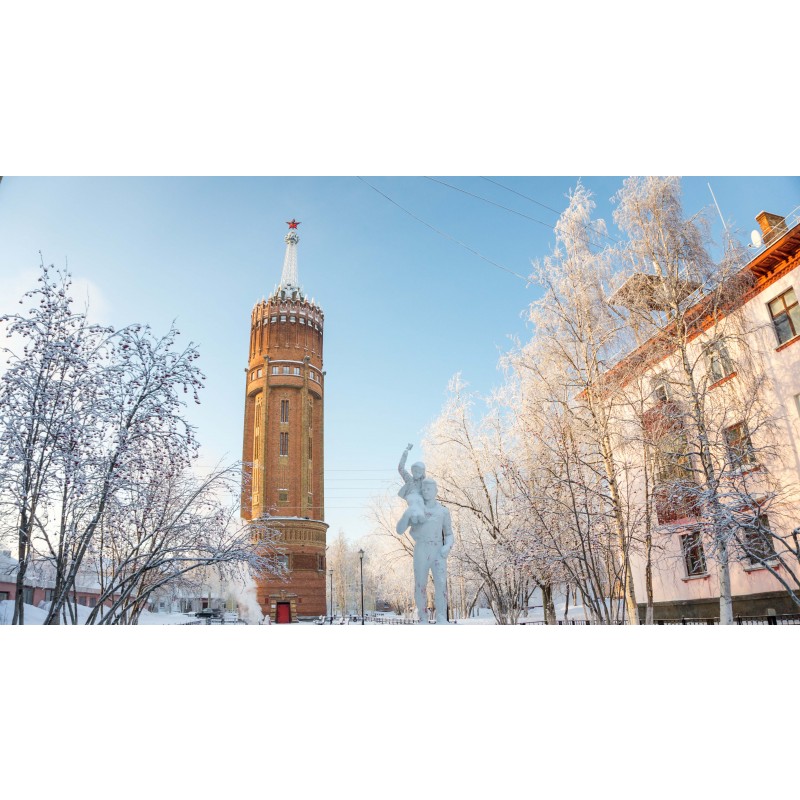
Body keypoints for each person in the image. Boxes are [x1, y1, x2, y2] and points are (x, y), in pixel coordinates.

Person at [396, 478, 453, 624]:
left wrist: (447, 546)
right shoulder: (417, 510)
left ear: (436, 491)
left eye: (429, 489)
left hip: (438, 550)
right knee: (420, 584)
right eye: (424, 489)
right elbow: (399, 530)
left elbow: (448, 534)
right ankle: (422, 618)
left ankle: (441, 616)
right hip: (421, 549)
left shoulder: (443, 511)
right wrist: (407, 514)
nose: (426, 491)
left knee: (441, 583)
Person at [398, 443, 426, 525]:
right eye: (415, 471)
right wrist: (405, 454)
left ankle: (421, 517)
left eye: (419, 472)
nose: (417, 474)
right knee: (413, 500)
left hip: (420, 502)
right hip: (411, 498)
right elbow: (401, 468)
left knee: (420, 501)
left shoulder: (424, 483)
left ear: (422, 473)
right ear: (412, 471)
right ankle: (414, 517)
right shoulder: (409, 479)